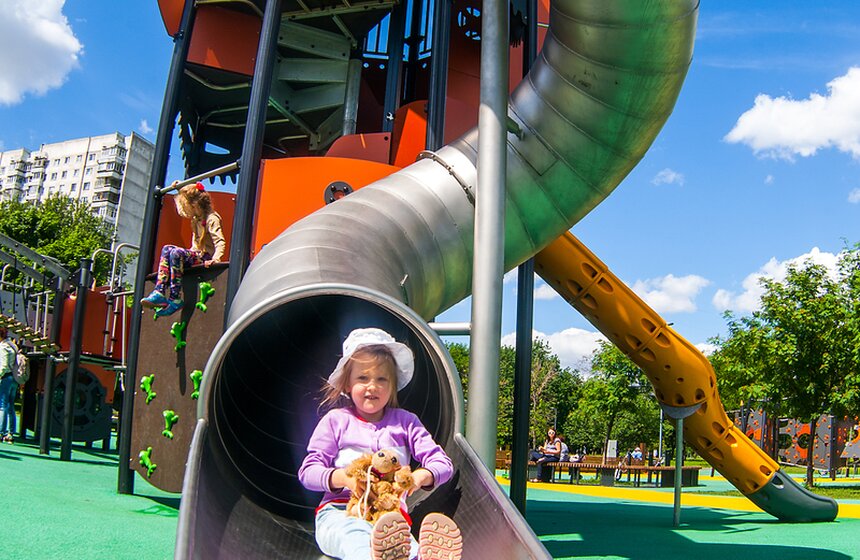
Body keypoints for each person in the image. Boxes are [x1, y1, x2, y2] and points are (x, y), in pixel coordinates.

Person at [298, 328, 463, 560]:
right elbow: (308, 472)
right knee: (354, 537)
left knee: (406, 548)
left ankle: (422, 556)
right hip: (341, 512)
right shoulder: (336, 421)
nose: (372, 386)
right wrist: (344, 479)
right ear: (347, 384)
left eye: (381, 379)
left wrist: (418, 478)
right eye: (362, 378)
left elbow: (442, 463)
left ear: (393, 385)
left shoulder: (406, 423)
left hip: (389, 519)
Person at [141, 181, 226, 317]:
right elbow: (190, 193)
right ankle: (159, 291)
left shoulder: (211, 218)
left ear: (194, 205)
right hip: (197, 253)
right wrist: (180, 188)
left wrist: (216, 259)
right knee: (167, 248)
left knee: (175, 253)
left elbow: (220, 241)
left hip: (205, 256)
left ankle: (175, 297)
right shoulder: (196, 219)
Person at [0, 327, 18, 443]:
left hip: (6, 377)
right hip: (14, 378)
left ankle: (1, 431)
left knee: (2, 405)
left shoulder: (3, 347)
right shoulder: (13, 345)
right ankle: (11, 432)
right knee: (10, 405)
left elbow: (4, 365)